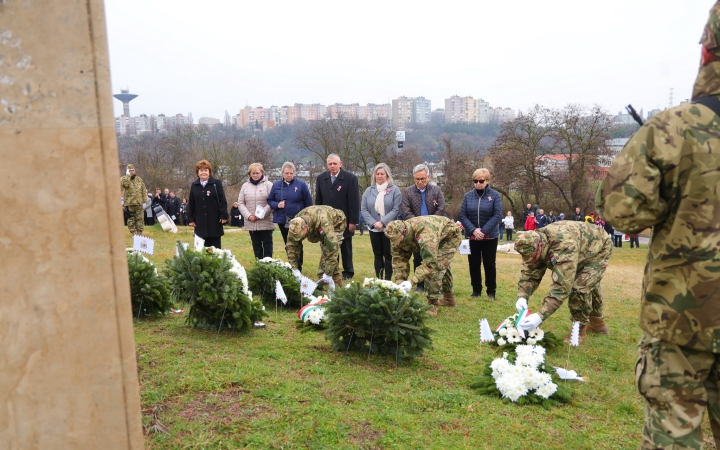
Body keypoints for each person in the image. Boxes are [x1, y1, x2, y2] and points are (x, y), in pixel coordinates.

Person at [597, 5, 720, 446]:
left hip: (682, 316)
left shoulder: (676, 128)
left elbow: (623, 212)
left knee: (674, 434)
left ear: (707, 51)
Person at [513, 221, 612, 345]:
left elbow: (561, 287)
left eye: (533, 256)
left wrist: (540, 316)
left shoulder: (563, 246)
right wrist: (522, 296)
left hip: (598, 248)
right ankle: (598, 324)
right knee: (588, 282)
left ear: (539, 246)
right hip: (581, 246)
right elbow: (530, 273)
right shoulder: (534, 242)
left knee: (580, 287)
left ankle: (579, 329)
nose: (531, 260)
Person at [385, 216, 462, 316]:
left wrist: (411, 281)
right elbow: (398, 260)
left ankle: (432, 304)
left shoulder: (424, 232)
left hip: (449, 236)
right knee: (442, 264)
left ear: (404, 231)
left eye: (400, 239)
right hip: (435, 236)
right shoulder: (395, 237)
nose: (398, 243)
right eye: (394, 241)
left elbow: (430, 263)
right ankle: (449, 299)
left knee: (438, 266)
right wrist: (400, 284)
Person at [400, 163, 446, 291]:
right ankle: (420, 285)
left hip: (433, 232)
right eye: (417, 179)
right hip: (417, 231)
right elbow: (405, 210)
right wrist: (418, 225)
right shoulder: (408, 192)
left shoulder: (436, 190)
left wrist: (431, 224)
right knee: (418, 258)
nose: (420, 181)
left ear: (428, 177)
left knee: (435, 258)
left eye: (423, 178)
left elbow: (441, 208)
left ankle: (435, 285)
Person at [459, 168, 503, 299]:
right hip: (471, 237)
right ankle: (476, 290)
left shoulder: (495, 196)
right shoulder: (467, 196)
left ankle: (491, 291)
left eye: (481, 181)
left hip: (490, 237)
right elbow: (463, 215)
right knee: (473, 264)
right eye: (475, 181)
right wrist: (473, 230)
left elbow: (497, 215)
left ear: (487, 181)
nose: (478, 183)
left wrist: (483, 231)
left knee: (489, 264)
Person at [315, 154, 359, 280]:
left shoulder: (350, 178)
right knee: (329, 246)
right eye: (330, 164)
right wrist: (318, 220)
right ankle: (334, 269)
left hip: (344, 220)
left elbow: (354, 202)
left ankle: (348, 271)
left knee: (345, 246)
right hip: (326, 221)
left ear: (341, 164)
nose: (333, 166)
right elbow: (318, 200)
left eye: (335, 163)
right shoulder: (321, 178)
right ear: (327, 165)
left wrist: (353, 221)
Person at [287, 205, 346, 288]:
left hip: (337, 223)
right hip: (317, 225)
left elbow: (332, 249)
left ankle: (334, 285)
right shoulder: (296, 223)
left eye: (301, 235)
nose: (300, 238)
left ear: (306, 227)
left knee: (327, 253)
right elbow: (292, 246)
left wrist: (328, 274)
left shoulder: (324, 222)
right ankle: (327, 283)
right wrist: (294, 268)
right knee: (327, 259)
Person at [360, 163, 402, 280]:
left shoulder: (394, 190)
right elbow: (364, 209)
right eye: (377, 174)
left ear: (387, 175)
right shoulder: (368, 191)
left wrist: (382, 222)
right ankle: (378, 279)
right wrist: (374, 223)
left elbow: (396, 209)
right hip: (373, 229)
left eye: (382, 174)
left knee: (388, 255)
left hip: (389, 228)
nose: (379, 176)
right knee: (378, 255)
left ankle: (387, 280)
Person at [268, 161, 313, 270]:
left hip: (298, 220)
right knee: (288, 244)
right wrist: (277, 204)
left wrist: (307, 219)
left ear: (294, 173)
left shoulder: (301, 184)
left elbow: (309, 203)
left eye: (291, 173)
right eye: (287, 173)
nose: (289, 175)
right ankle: (291, 266)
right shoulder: (276, 185)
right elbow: (270, 200)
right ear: (282, 173)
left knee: (297, 244)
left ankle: (299, 267)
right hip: (283, 219)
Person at [186, 159, 229, 248]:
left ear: (209, 172)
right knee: (201, 249)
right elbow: (191, 203)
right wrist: (190, 219)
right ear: (197, 173)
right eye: (201, 170)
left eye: (206, 170)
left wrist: (224, 216)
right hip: (200, 221)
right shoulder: (194, 185)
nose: (203, 172)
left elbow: (222, 200)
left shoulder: (216, 184)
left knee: (216, 249)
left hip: (214, 221)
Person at [238, 163, 275, 259]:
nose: (255, 175)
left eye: (257, 173)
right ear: (249, 174)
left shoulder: (268, 185)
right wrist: (249, 216)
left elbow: (272, 202)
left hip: (266, 221)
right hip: (251, 222)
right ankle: (258, 264)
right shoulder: (245, 186)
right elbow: (241, 203)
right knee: (256, 245)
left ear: (262, 173)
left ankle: (268, 264)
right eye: (253, 173)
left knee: (267, 245)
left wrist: (261, 214)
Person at [120, 164, 147, 235]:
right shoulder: (123, 178)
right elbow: (126, 185)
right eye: (130, 171)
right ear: (127, 171)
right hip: (129, 204)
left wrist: (144, 202)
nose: (131, 172)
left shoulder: (138, 179)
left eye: (132, 170)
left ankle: (139, 234)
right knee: (131, 220)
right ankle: (133, 234)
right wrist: (128, 176)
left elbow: (143, 190)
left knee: (140, 219)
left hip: (139, 203)